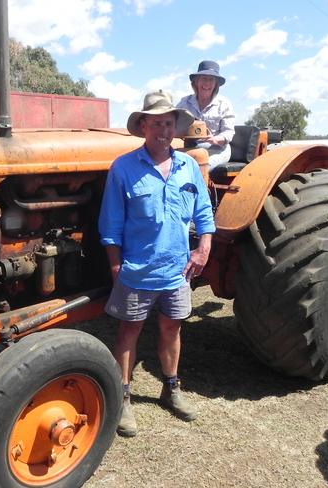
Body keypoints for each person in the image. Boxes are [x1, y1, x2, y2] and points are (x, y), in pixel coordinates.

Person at [98, 90, 216, 437]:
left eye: (168, 123)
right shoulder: (123, 168)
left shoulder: (189, 166)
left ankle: (171, 389)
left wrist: (203, 246)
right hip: (136, 268)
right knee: (129, 331)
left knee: (172, 327)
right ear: (144, 126)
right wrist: (116, 266)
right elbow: (110, 224)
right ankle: (122, 398)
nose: (163, 130)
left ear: (176, 127)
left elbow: (204, 212)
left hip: (177, 269)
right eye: (156, 123)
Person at [177, 60, 236, 170]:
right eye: (204, 78)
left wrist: (215, 139)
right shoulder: (185, 103)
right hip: (192, 148)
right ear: (196, 81)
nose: (207, 83)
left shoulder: (224, 104)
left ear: (216, 84)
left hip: (217, 150)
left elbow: (229, 132)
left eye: (211, 80)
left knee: (199, 166)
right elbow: (173, 122)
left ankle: (200, 187)